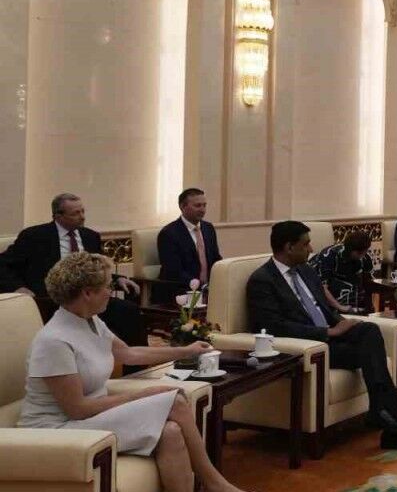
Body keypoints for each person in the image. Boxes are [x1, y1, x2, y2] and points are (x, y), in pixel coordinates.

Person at [19, 253, 249, 492]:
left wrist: (186, 350)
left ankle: (213, 485)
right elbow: (77, 409)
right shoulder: (54, 341)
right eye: (107, 286)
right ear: (87, 293)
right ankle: (216, 484)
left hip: (87, 418)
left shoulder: (90, 321)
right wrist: (144, 394)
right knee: (176, 402)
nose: (110, 292)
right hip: (58, 428)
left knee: (171, 432)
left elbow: (129, 354)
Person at [246, 221, 397, 452]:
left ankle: (381, 413)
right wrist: (327, 332)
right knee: (371, 353)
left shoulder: (306, 271)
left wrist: (342, 322)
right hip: (310, 347)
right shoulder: (263, 280)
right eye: (306, 244)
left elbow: (323, 308)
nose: (311, 249)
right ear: (289, 247)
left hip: (331, 338)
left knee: (369, 331)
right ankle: (391, 426)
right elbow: (273, 326)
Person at [0, 193, 146, 351]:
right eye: (75, 213)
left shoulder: (90, 236)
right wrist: (18, 287)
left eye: (83, 211)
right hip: (52, 300)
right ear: (58, 216)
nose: (82, 217)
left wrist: (117, 279)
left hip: (89, 298)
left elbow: (97, 267)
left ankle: (137, 363)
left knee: (129, 311)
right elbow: (3, 265)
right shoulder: (34, 236)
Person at [157, 188, 222, 300]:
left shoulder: (208, 228)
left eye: (204, 205)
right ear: (182, 207)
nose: (202, 210)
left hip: (208, 291)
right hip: (180, 291)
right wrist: (200, 286)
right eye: (197, 206)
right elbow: (173, 270)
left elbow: (215, 258)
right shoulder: (169, 233)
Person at [308, 230, 374, 313]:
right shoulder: (329, 256)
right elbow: (322, 288)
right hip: (326, 293)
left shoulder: (364, 258)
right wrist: (340, 307)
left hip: (350, 293)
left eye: (365, 252)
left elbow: (370, 283)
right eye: (359, 253)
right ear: (349, 249)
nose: (362, 256)